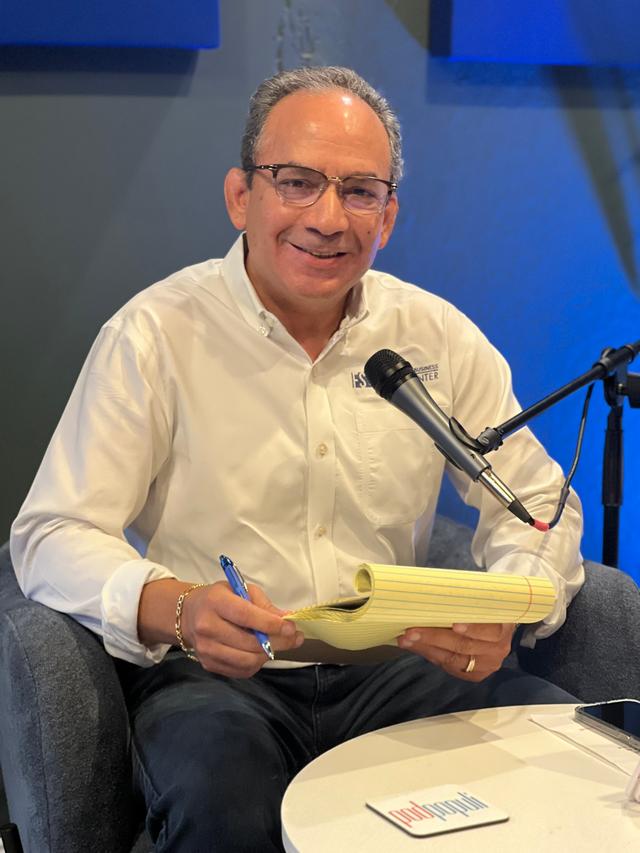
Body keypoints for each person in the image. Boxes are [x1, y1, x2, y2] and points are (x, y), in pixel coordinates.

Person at [11, 66, 584, 851]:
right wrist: (176, 605)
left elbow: (540, 502)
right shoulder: (154, 335)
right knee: (224, 798)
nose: (327, 216)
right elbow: (50, 532)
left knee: (563, 753)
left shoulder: (437, 337)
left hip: (401, 666)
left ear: (388, 217)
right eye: (297, 181)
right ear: (241, 197)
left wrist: (511, 599)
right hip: (219, 677)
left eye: (359, 191)